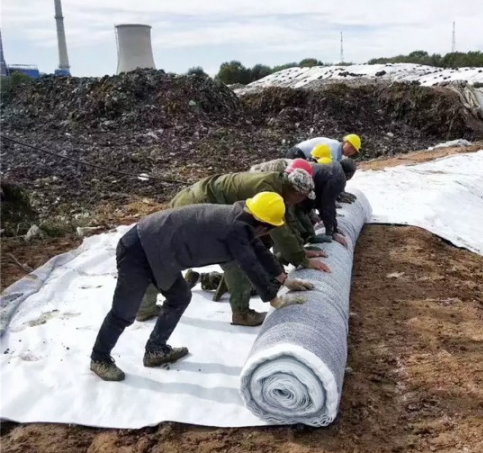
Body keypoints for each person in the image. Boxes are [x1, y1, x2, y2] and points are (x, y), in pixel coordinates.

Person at [90, 192, 314, 382]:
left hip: (162, 252)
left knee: (179, 297)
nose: (268, 234)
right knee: (124, 311)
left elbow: (259, 252)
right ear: (263, 224)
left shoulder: (243, 220)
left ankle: (156, 350)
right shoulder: (236, 228)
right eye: (270, 229)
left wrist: (285, 279)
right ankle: (99, 358)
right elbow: (250, 264)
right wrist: (274, 299)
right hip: (139, 248)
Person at [137, 168, 330, 326]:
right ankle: (241, 313)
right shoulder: (268, 192)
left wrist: (287, 275)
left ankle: (151, 304)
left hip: (203, 202)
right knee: (226, 260)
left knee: (178, 255)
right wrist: (300, 261)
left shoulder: (278, 187)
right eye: (303, 197)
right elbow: (278, 235)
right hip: (196, 205)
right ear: (296, 192)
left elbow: (279, 228)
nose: (302, 202)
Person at [287, 134, 362, 162]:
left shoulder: (338, 152)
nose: (351, 151)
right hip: (297, 153)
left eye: (354, 150)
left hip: (301, 154)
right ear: (345, 142)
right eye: (350, 147)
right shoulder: (333, 148)